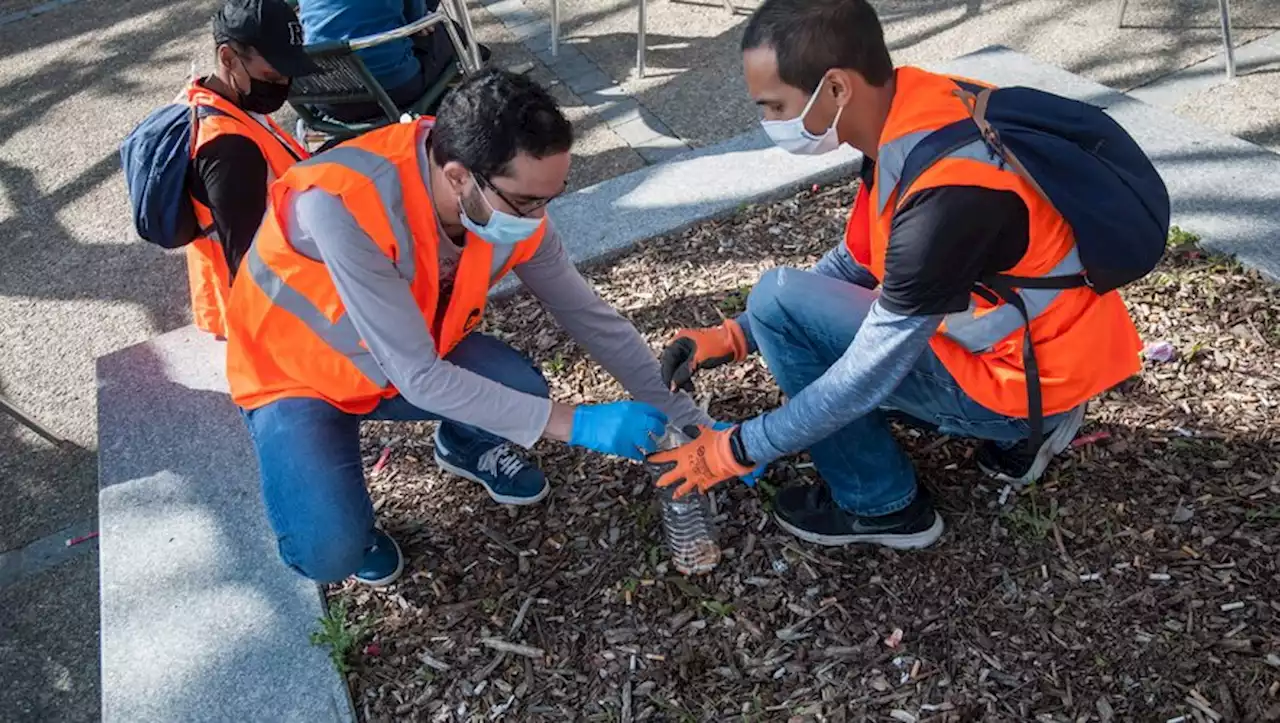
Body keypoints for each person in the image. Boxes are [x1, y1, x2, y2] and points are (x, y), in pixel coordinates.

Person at [647, 0, 1142, 550]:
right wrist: (736, 335)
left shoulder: (946, 197)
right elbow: (856, 262)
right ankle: (1035, 430)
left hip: (1020, 385)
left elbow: (867, 374)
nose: (769, 124)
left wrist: (736, 449)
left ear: (836, 88)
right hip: (1053, 353)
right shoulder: (922, 108)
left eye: (774, 107)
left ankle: (879, 505)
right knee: (776, 305)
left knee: (780, 305)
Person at [224, 68, 710, 587]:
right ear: (458, 176)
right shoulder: (343, 204)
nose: (539, 216)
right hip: (299, 378)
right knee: (330, 551)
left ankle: (463, 444)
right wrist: (583, 424)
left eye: (551, 196)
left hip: (407, 360)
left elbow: (587, 315)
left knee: (522, 391)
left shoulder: (499, 199)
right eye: (527, 201)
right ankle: (345, 532)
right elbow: (423, 379)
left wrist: (688, 418)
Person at [184, 0, 317, 339]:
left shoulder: (222, 101)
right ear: (228, 58)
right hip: (268, 314)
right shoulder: (228, 150)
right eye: (272, 76)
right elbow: (250, 270)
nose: (283, 84)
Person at [298, 0, 487, 123]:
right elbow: (419, 20)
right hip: (394, 90)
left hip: (326, 97)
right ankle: (474, 95)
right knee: (451, 32)